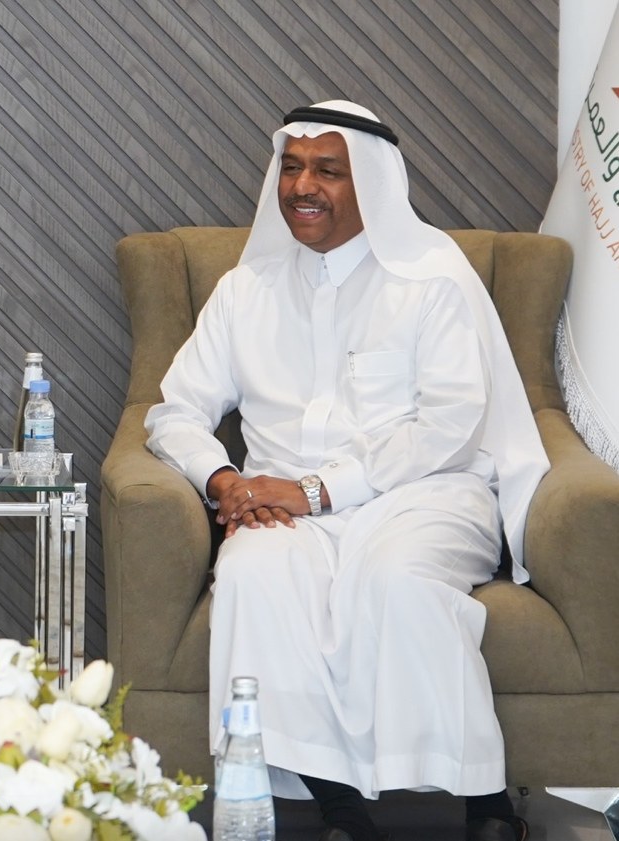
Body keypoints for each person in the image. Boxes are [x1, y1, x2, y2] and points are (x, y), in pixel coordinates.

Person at [144, 101, 548, 841]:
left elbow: (450, 423)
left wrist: (316, 488)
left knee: (394, 579)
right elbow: (171, 413)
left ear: (370, 182)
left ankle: (485, 805)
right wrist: (223, 482)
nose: (303, 186)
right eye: (291, 167)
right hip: (279, 506)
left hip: (423, 492)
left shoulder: (431, 279)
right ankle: (337, 811)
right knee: (251, 576)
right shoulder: (246, 291)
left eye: (327, 171)